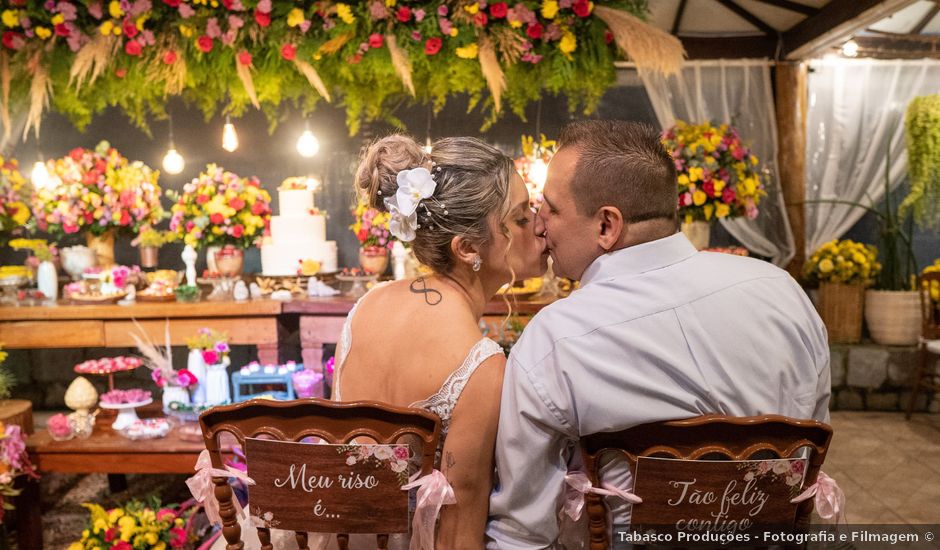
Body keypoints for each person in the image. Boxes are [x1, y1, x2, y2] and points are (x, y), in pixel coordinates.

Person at [485, 120, 830, 549]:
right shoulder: (782, 292)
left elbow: (522, 531)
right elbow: (810, 451)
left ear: (607, 226)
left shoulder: (555, 340)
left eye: (551, 210)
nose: (539, 227)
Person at [334, 134, 549, 549]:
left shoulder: (365, 306)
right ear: (468, 248)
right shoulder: (481, 366)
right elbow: (458, 527)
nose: (540, 225)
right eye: (521, 218)